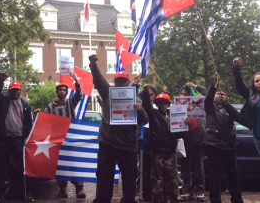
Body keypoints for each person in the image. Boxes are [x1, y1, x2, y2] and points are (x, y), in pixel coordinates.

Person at [89, 54, 148, 203]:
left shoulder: (137, 99)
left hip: (128, 145)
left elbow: (145, 120)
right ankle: (102, 200)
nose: (121, 84)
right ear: (115, 83)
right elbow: (98, 79)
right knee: (104, 176)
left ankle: (128, 200)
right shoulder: (107, 92)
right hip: (107, 142)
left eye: (123, 81)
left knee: (129, 176)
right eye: (118, 81)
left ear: (128, 82)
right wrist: (93, 64)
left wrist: (141, 110)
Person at [35, 72, 86, 199]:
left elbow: (79, 95)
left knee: (74, 164)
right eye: (60, 90)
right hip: (57, 140)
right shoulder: (51, 106)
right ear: (57, 91)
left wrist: (77, 82)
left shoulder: (70, 103)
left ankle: (79, 190)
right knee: (60, 165)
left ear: (66, 92)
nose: (62, 92)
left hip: (71, 138)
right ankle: (63, 190)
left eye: (64, 90)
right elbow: (44, 117)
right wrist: (38, 113)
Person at [142, 85, 194, 203]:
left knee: (173, 179)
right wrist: (145, 93)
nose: (161, 104)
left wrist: (185, 125)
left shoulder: (175, 116)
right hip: (157, 153)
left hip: (171, 153)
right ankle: (159, 201)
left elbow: (179, 135)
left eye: (163, 102)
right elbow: (147, 106)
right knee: (157, 180)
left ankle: (174, 199)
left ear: (168, 104)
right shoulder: (153, 114)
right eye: (159, 102)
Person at [0, 73, 34, 203]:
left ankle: (26, 193)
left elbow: (28, 123)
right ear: (9, 90)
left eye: (17, 90)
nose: (15, 92)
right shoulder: (2, 101)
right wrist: (0, 80)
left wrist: (26, 136)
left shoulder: (26, 105)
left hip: (18, 140)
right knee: (0, 169)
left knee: (23, 168)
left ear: (20, 91)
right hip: (2, 140)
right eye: (13, 90)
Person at [204, 73, 243, 203]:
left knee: (233, 175)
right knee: (215, 175)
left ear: (227, 97)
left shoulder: (229, 108)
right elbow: (207, 99)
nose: (220, 95)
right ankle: (215, 200)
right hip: (213, 144)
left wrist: (227, 105)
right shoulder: (209, 107)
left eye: (223, 94)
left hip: (229, 145)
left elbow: (238, 118)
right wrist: (213, 86)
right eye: (218, 93)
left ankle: (237, 199)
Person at [232, 57, 260, 185]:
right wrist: (236, 69)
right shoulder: (251, 95)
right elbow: (240, 85)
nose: (259, 83)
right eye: (256, 81)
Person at [178, 82, 207, 202]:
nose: (182, 96)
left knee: (198, 167)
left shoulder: (198, 105)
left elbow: (208, 94)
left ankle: (200, 190)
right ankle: (186, 191)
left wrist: (196, 86)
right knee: (185, 168)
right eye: (181, 94)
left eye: (185, 94)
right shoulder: (178, 107)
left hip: (197, 140)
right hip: (184, 140)